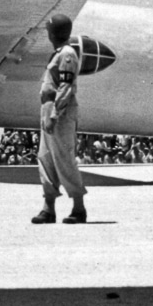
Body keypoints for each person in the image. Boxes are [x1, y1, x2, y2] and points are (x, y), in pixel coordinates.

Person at [32, 14, 87, 225]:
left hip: (60, 112)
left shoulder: (67, 54)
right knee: (45, 159)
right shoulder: (59, 53)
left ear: (53, 33)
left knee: (64, 159)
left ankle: (79, 208)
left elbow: (66, 87)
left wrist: (55, 114)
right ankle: (48, 209)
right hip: (48, 110)